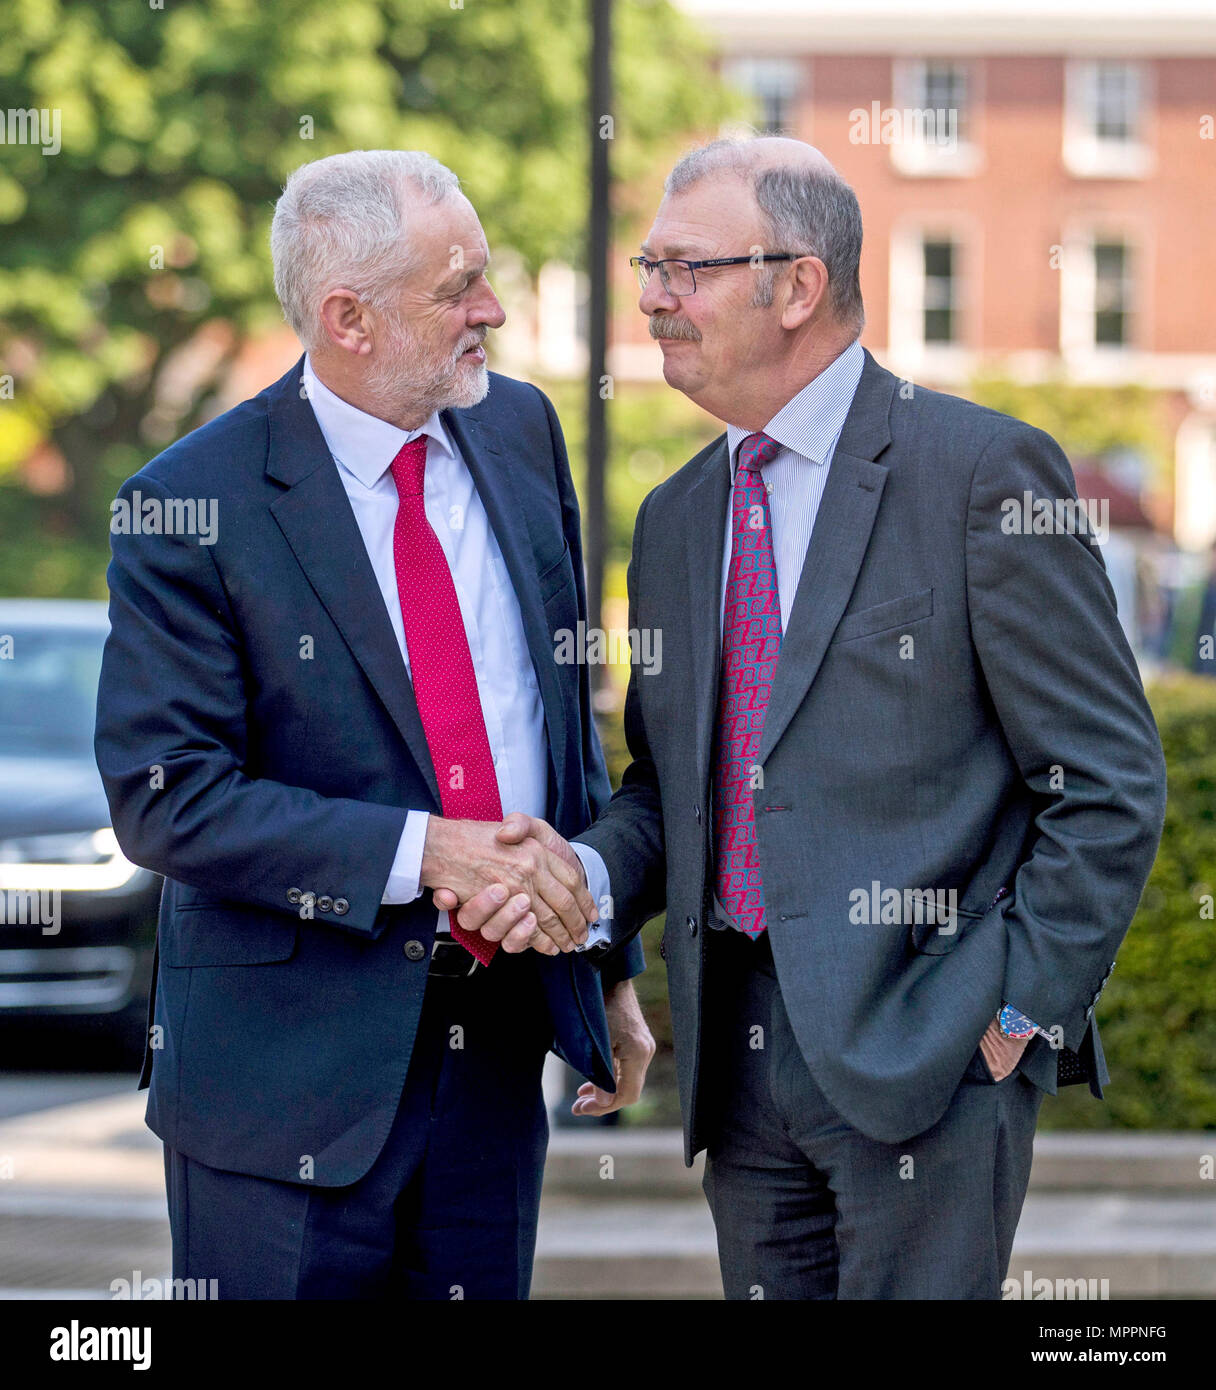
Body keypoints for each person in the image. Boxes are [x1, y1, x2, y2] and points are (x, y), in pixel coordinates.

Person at [461, 136, 1167, 1298]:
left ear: (794, 284)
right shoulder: (680, 513)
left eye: (685, 268)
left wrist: (1011, 1016)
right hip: (736, 1068)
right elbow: (670, 784)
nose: (651, 296)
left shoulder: (981, 470)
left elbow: (1105, 781)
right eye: (648, 267)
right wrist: (582, 881)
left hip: (933, 1056)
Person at [93, 149, 652, 1301]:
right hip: (279, 1080)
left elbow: (559, 727)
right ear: (347, 316)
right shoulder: (190, 503)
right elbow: (167, 793)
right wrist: (425, 851)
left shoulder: (522, 433)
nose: (492, 309)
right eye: (459, 288)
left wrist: (607, 962)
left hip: (494, 1057)